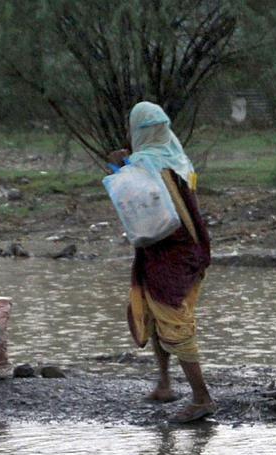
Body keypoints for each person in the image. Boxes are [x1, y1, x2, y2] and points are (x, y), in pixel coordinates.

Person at [110, 101, 214, 423]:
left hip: (170, 251)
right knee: (157, 314)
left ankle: (201, 397)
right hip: (183, 247)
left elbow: (131, 197)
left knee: (172, 318)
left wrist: (117, 166)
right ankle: (165, 383)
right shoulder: (179, 159)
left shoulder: (142, 164)